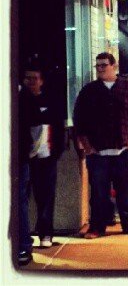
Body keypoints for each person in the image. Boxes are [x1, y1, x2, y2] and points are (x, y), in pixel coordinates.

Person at [73, 52, 128, 239]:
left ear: (113, 66)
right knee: (98, 192)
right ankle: (97, 227)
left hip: (123, 150)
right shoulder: (89, 91)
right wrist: (87, 147)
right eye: (97, 65)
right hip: (97, 152)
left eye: (103, 65)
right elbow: (79, 120)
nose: (99, 69)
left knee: (126, 190)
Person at [23, 64, 65, 249]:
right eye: (28, 78)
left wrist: (56, 153)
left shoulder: (51, 101)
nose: (31, 82)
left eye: (35, 78)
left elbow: (59, 129)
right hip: (24, 158)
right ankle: (23, 236)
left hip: (47, 157)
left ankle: (45, 233)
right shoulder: (19, 101)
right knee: (22, 197)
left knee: (46, 197)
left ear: (41, 81)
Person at [17, 73, 42, 266]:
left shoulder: (25, 96)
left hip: (18, 157)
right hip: (20, 156)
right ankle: (23, 246)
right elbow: (36, 129)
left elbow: (36, 129)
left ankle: (23, 245)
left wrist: (29, 152)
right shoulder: (25, 96)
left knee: (19, 201)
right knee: (19, 202)